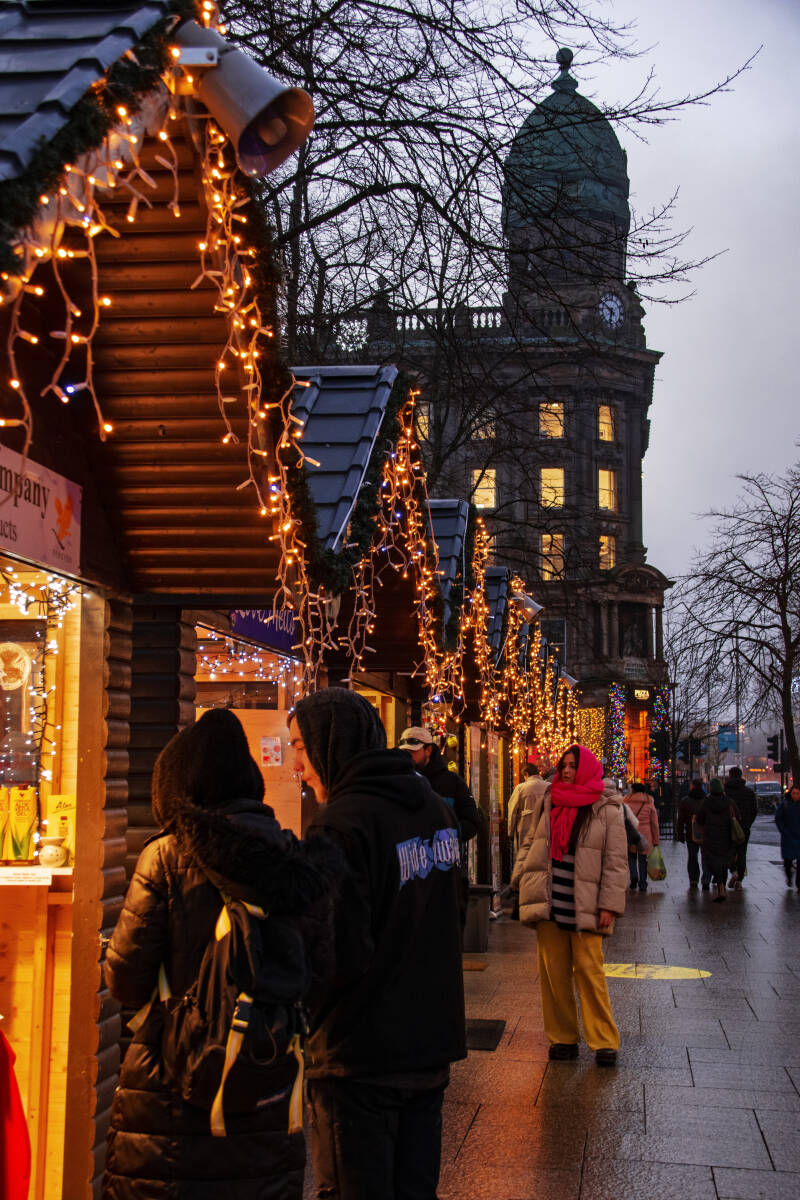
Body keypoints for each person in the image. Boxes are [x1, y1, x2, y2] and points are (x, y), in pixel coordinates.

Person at [102, 708, 342, 1200]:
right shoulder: (293, 860)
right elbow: (319, 977)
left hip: (171, 1086)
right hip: (265, 1081)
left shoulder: (165, 857)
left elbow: (126, 980)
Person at [290, 689, 466, 1200]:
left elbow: (334, 952)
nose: (297, 765)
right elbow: (451, 914)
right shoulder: (435, 810)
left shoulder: (341, 823)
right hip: (429, 1044)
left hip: (360, 1057)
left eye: (301, 747)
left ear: (330, 744)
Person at [510, 743, 628, 1067]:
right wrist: (518, 879)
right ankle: (563, 1038)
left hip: (586, 904)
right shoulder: (549, 799)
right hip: (550, 899)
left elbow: (616, 864)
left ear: (587, 768)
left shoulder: (607, 807)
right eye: (564, 765)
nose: (566, 771)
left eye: (573, 765)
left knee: (591, 972)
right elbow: (531, 842)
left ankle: (604, 1041)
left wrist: (610, 905)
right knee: (552, 973)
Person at [695, 777, 736, 902]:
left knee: (712, 861)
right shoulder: (729, 802)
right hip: (726, 835)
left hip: (710, 836)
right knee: (723, 861)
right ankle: (722, 885)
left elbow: (699, 819)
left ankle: (721, 886)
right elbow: (737, 816)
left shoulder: (706, 802)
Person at [724, 766, 758, 888]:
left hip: (728, 826)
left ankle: (733, 871)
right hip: (744, 827)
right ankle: (740, 880)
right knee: (742, 853)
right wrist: (748, 823)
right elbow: (754, 810)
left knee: (729, 851)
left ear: (730, 775)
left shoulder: (726, 791)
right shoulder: (749, 792)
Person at [625, 782, 659, 892]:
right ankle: (643, 883)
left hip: (631, 832)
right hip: (645, 833)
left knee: (631, 856)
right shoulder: (649, 801)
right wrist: (655, 839)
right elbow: (654, 822)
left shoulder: (626, 801)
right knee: (643, 859)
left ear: (633, 790)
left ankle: (634, 876)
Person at [675, 778, 706, 887]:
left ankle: (693, 879)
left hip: (690, 832)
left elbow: (680, 820)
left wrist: (680, 833)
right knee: (705, 856)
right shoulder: (707, 800)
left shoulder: (685, 800)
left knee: (692, 856)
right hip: (705, 832)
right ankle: (706, 879)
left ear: (692, 786)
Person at [775, 780, 800, 889]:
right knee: (788, 861)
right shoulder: (785, 804)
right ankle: (789, 877)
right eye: (794, 793)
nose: (795, 796)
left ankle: (799, 883)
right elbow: (778, 819)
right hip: (788, 836)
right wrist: (784, 831)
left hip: (798, 837)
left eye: (797, 793)